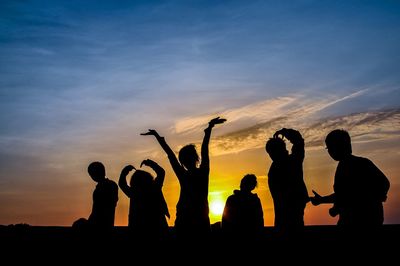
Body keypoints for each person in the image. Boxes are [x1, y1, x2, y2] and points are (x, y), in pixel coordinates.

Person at [141, 117, 226, 240]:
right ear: (195, 159)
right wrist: (208, 130)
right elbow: (204, 151)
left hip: (189, 218)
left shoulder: (185, 174)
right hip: (195, 218)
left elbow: (171, 155)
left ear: (183, 161)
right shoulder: (201, 172)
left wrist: (157, 136)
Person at [310, 129, 390, 234]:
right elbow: (343, 195)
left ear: (339, 146)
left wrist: (359, 202)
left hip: (359, 224)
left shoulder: (360, 164)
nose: (329, 151)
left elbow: (383, 184)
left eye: (330, 147)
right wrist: (323, 200)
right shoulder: (354, 164)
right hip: (354, 221)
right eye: (328, 148)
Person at [265, 128, 309, 239]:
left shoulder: (288, 162)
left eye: (271, 152)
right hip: (288, 213)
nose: (271, 155)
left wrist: (284, 131)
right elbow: (299, 141)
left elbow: (299, 141)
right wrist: (284, 132)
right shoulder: (294, 160)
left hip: (287, 214)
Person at [118, 159, 170, 240]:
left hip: (137, 226)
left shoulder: (134, 192)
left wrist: (124, 172)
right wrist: (150, 163)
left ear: (134, 181)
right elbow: (161, 172)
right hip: (157, 224)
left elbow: (122, 184)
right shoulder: (154, 187)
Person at [73, 161, 119, 230]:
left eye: (91, 174)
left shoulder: (104, 187)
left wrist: (89, 223)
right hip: (106, 223)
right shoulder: (112, 185)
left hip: (100, 225)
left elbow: (98, 210)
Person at [222, 174, 264, 239]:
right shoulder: (255, 200)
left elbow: (260, 219)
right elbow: (225, 219)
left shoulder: (232, 199)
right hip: (236, 234)